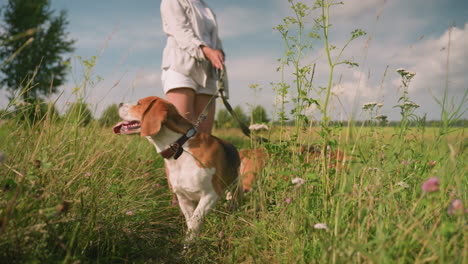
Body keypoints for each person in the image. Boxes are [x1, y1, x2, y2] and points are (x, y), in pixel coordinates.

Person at [160, 0, 228, 134]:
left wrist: (219, 52)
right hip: (181, 65)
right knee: (180, 134)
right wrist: (208, 51)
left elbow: (214, 39)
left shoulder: (205, 7)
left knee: (204, 138)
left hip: (207, 70)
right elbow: (181, 32)